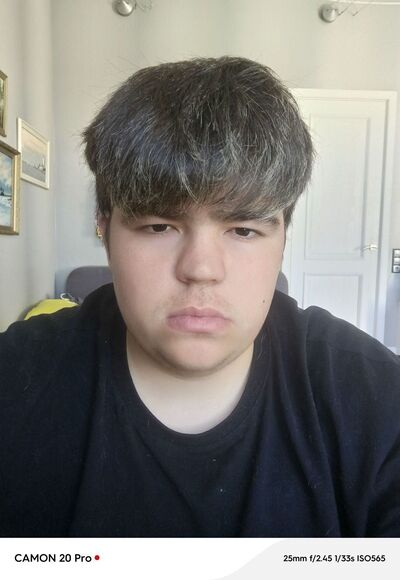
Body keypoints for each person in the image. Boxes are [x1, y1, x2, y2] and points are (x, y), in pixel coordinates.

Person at [0, 57, 399, 538]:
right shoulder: (15, 379)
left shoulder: (375, 399)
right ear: (104, 228)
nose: (201, 269)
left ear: (283, 238)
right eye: (159, 226)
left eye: (244, 230)